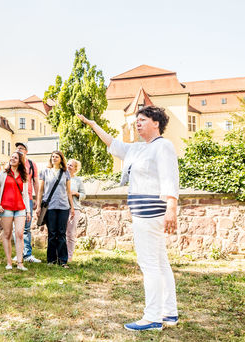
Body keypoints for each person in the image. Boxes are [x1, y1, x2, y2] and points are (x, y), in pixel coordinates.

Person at [78, 106, 179, 331]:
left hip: (151, 212)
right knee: (160, 262)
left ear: (156, 123)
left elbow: (170, 177)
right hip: (143, 213)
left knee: (149, 263)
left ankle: (152, 317)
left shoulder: (162, 146)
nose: (138, 123)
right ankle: (169, 313)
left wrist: (171, 207)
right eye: (137, 120)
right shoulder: (136, 149)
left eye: (142, 120)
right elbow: (112, 143)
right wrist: (94, 125)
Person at [35, 151, 75, 268]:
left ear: (61, 159)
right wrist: (38, 206)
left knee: (61, 233)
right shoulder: (45, 172)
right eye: (52, 156)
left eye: (56, 157)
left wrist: (72, 207)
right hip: (50, 207)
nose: (54, 158)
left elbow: (68, 191)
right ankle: (51, 260)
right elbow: (41, 191)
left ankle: (63, 261)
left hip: (63, 207)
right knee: (52, 233)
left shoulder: (65, 173)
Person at [0, 151, 31, 271]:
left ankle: (20, 263)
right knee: (7, 234)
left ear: (20, 161)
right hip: (6, 208)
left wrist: (28, 211)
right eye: (12, 157)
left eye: (15, 158)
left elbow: (25, 195)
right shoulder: (3, 173)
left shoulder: (23, 175)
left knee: (20, 234)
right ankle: (9, 262)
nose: (13, 159)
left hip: (20, 208)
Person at [14, 142, 41, 263]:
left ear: (26, 151)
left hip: (27, 198)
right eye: (17, 148)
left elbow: (36, 182)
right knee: (16, 228)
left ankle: (27, 254)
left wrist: (37, 199)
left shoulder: (31, 164)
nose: (19, 150)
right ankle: (18, 253)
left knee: (26, 227)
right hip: (14, 198)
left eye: (22, 148)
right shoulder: (13, 162)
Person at [66, 159, 86, 262]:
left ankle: (69, 256)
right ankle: (61, 254)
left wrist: (76, 193)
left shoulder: (78, 180)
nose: (69, 166)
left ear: (75, 168)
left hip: (75, 208)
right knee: (61, 233)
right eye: (68, 164)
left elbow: (84, 195)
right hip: (62, 208)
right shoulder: (62, 178)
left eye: (71, 165)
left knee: (71, 233)